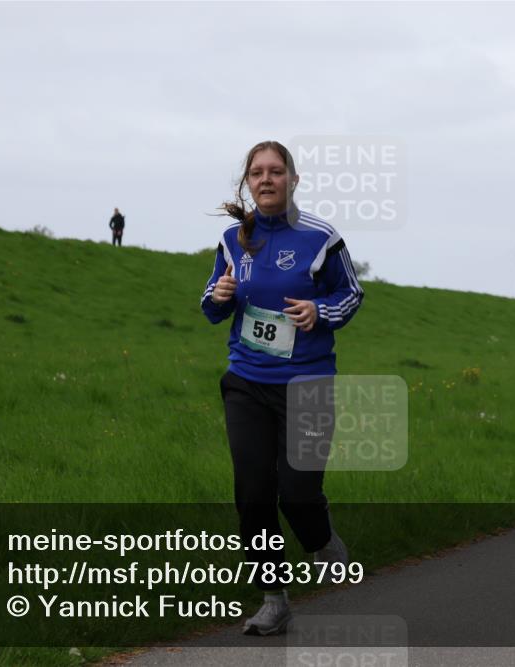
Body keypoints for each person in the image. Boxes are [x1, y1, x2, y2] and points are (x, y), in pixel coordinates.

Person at [200, 140, 364, 636]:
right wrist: (220, 294)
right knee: (253, 494)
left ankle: (321, 539)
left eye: (276, 171)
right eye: (257, 173)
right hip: (247, 382)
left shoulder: (321, 237)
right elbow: (212, 304)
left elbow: (351, 293)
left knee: (297, 493)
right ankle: (274, 600)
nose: (266, 179)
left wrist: (321, 311)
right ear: (247, 184)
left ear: (293, 180)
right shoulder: (233, 238)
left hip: (308, 385)